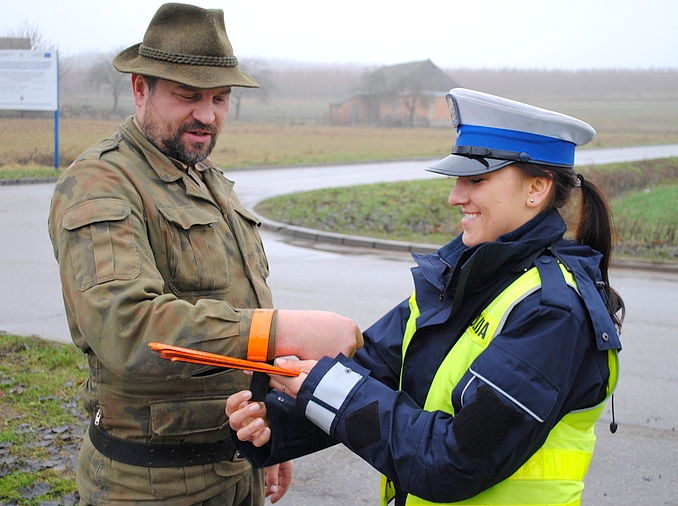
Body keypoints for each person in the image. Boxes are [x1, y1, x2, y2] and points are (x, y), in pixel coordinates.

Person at [227, 88, 625, 505]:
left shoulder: (553, 312)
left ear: (537, 188)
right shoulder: (463, 276)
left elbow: (453, 461)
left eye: (476, 180)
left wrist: (324, 389)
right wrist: (277, 420)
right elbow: (374, 368)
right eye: (458, 180)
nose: (456, 196)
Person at [47, 3, 362, 505]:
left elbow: (240, 311)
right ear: (140, 89)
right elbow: (126, 329)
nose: (208, 115)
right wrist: (285, 330)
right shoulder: (101, 183)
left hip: (237, 466)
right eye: (188, 96)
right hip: (152, 485)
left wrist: (270, 424)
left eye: (220, 98)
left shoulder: (207, 179)